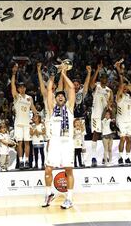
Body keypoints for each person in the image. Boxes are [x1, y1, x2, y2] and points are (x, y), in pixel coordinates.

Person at [42, 65, 75, 209]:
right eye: (58, 95)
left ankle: (69, 198)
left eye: (62, 95)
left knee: (68, 170)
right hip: (55, 142)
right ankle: (49, 194)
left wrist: (63, 73)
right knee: (48, 169)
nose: (60, 96)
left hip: (67, 142)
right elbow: (49, 90)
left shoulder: (70, 108)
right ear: (55, 99)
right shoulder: (51, 109)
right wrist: (52, 76)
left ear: (65, 99)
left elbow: (72, 88)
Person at [11, 62, 38, 169]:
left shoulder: (29, 98)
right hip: (18, 123)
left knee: (27, 143)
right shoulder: (16, 97)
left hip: (27, 123)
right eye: (20, 87)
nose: (22, 89)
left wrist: (38, 117)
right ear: (18, 89)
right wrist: (13, 74)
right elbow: (12, 86)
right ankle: (21, 161)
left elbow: (34, 110)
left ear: (25, 88)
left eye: (23, 87)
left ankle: (26, 161)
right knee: (20, 143)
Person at [89, 61, 113, 167]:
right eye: (102, 78)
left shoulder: (109, 91)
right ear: (100, 79)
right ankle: (93, 157)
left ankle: (105, 157)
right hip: (95, 114)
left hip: (104, 116)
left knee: (106, 136)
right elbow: (90, 84)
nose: (104, 79)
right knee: (95, 134)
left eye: (105, 78)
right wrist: (97, 70)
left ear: (107, 80)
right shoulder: (97, 86)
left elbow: (111, 102)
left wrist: (110, 106)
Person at [115, 60, 131, 165]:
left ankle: (127, 157)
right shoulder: (119, 95)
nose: (125, 88)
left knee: (129, 140)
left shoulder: (128, 96)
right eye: (124, 87)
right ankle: (120, 157)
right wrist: (120, 72)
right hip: (121, 121)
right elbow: (121, 85)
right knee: (122, 139)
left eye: (126, 87)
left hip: (129, 120)